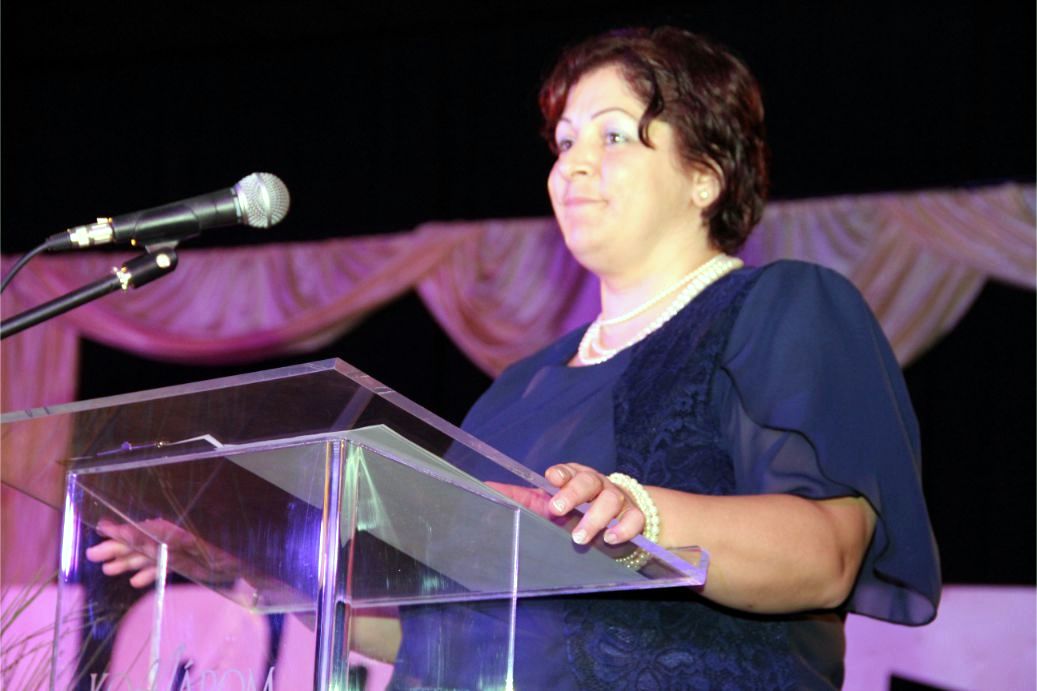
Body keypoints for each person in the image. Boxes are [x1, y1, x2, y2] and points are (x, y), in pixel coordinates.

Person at [391, 26, 940, 689]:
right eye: (565, 142)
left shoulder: (780, 308)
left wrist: (637, 514)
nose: (573, 164)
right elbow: (436, 628)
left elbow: (827, 553)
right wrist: (301, 568)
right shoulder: (516, 387)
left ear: (704, 176)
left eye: (612, 135)